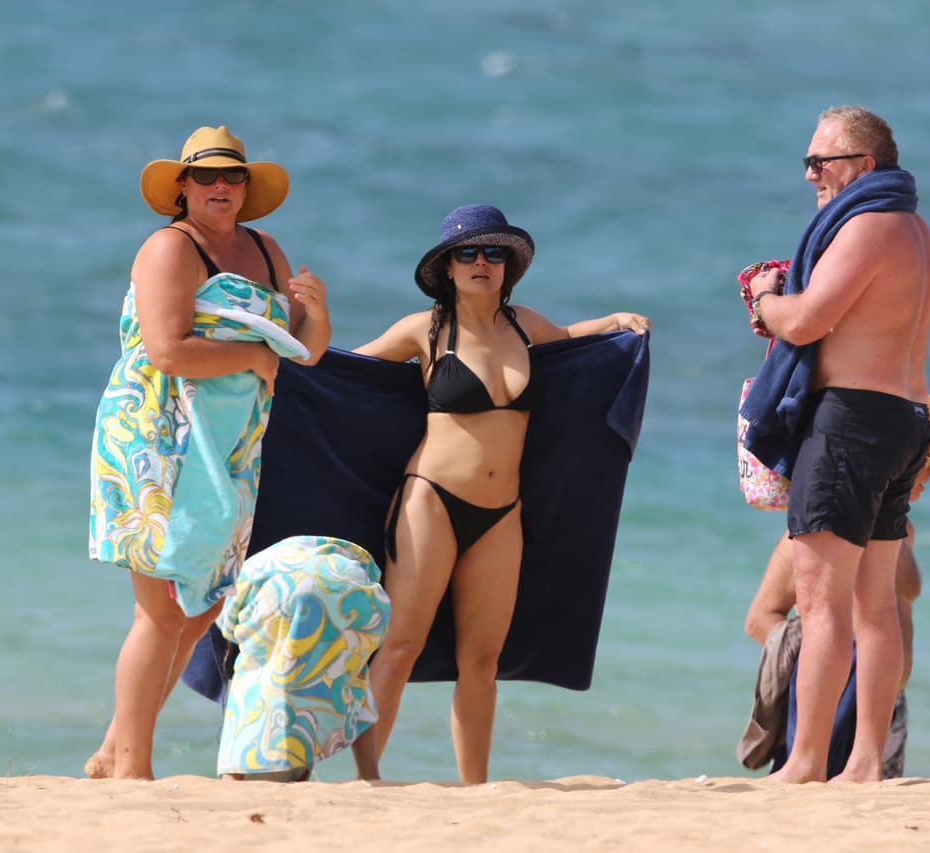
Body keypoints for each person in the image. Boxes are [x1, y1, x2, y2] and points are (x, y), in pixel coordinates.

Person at [352, 204, 649, 783]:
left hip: (500, 513)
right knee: (400, 645)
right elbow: (341, 371)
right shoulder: (426, 329)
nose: (482, 262)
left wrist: (613, 321)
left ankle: (476, 788)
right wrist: (290, 336)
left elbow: (568, 342)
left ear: (509, 267)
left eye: (494, 253)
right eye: (468, 253)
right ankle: (366, 777)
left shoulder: (524, 325)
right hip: (430, 499)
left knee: (482, 662)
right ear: (448, 267)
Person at [86, 125, 331, 780]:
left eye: (232, 176)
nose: (220, 186)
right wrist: (253, 354)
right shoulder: (171, 247)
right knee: (160, 608)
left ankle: (115, 745)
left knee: (205, 607)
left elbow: (304, 349)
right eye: (206, 176)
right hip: (157, 436)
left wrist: (317, 310)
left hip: (230, 440)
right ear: (183, 188)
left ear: (247, 188)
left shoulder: (266, 248)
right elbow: (166, 349)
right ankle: (132, 768)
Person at [738, 106, 930, 783]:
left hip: (852, 419)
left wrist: (766, 296)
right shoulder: (916, 230)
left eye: (821, 161)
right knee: (874, 605)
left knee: (823, 602)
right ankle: (864, 765)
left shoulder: (867, 223)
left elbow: (807, 321)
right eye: (808, 161)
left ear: (865, 165)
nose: (811, 174)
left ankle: (803, 762)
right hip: (903, 417)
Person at [738, 395, 930, 779]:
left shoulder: (903, 533)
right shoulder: (816, 539)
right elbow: (759, 619)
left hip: (886, 707)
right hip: (836, 703)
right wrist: (836, 662)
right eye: (929, 459)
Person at [217, 535, 389, 782]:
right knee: (351, 676)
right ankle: (368, 772)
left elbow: (228, 624)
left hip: (279, 585)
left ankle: (232, 777)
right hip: (354, 582)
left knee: (248, 680)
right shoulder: (258, 562)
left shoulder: (243, 572)